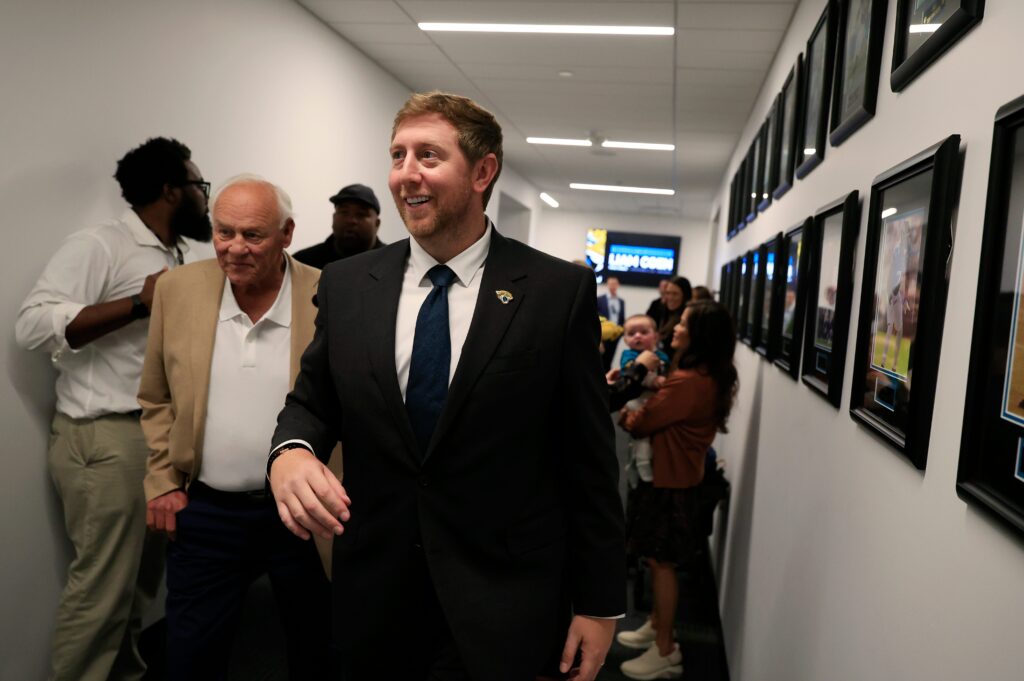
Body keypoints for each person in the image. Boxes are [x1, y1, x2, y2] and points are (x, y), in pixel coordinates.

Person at [266, 91, 625, 681]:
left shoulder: (555, 292)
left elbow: (588, 460)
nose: (406, 174)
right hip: (375, 592)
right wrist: (290, 452)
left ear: (483, 172)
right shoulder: (348, 285)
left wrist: (598, 600)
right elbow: (311, 402)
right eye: (398, 155)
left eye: (428, 156)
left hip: (504, 597)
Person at [14, 137, 212, 681]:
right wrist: (137, 304)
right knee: (102, 592)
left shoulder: (175, 254)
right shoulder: (101, 245)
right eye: (199, 185)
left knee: (137, 590)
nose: (204, 196)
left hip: (151, 442)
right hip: (106, 439)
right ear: (172, 190)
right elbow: (32, 324)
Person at [139, 175, 331, 681]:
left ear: (287, 234)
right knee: (191, 654)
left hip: (303, 514)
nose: (235, 248)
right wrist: (162, 480)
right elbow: (155, 396)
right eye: (224, 233)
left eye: (253, 235)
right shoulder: (177, 290)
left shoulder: (328, 295)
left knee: (317, 647)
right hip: (207, 512)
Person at [616, 300, 738, 680]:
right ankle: (656, 624)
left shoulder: (690, 381)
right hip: (675, 477)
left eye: (684, 323)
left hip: (669, 483)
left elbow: (641, 422)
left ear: (699, 334)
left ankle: (665, 649)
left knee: (660, 562)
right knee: (657, 559)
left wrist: (627, 413)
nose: (676, 328)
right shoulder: (703, 376)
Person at [618, 315, 670, 485]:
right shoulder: (628, 355)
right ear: (625, 340)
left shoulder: (661, 355)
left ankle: (636, 463)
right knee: (642, 436)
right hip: (637, 400)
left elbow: (666, 371)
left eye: (643, 332)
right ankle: (641, 463)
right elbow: (630, 375)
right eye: (631, 333)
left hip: (653, 399)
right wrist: (652, 380)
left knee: (651, 437)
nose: (637, 336)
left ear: (655, 336)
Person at [292, 183, 385, 268]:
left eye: (361, 214)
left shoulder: (393, 262)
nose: (351, 220)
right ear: (333, 217)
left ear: (377, 223)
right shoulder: (303, 264)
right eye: (344, 212)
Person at [655, 276, 692, 354]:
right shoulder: (661, 310)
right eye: (668, 293)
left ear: (685, 296)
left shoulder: (688, 316)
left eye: (675, 294)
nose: (670, 297)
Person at [597, 275, 626, 370]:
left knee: (610, 358)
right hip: (603, 334)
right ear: (607, 285)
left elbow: (621, 318)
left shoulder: (621, 301)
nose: (613, 286)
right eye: (611, 284)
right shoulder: (600, 300)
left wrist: (621, 331)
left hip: (616, 335)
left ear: (618, 285)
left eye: (615, 284)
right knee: (601, 359)